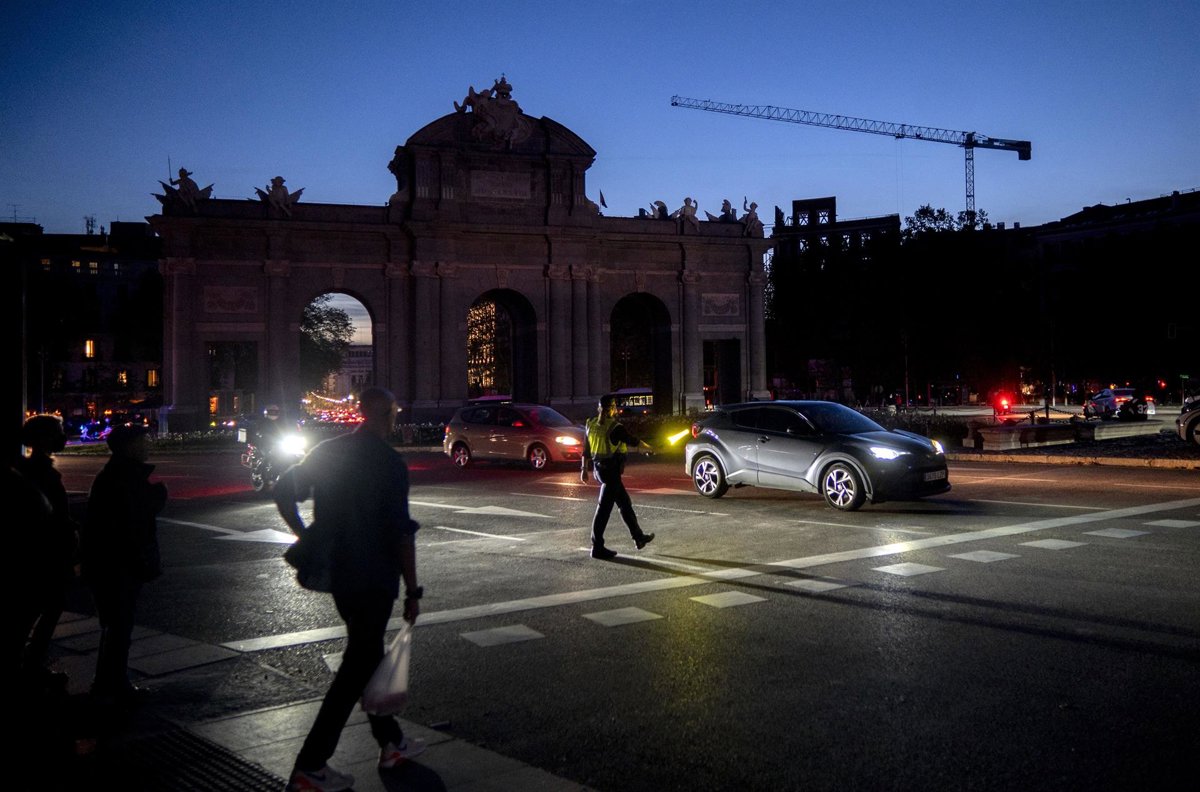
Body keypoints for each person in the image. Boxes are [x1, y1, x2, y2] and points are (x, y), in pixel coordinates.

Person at [274, 387, 425, 792]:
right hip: (375, 575)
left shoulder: (329, 451)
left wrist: (305, 534)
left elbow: (282, 491)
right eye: (393, 413)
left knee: (367, 656)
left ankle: (391, 742)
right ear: (388, 415)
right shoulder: (390, 463)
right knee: (356, 668)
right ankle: (311, 764)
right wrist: (413, 591)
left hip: (341, 573)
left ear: (360, 412)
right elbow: (402, 533)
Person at [79, 423, 168, 708]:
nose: (148, 445)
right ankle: (112, 686)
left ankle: (109, 683)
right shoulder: (124, 477)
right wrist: (159, 495)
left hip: (109, 561)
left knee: (116, 625)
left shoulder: (115, 474)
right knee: (119, 625)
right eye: (143, 441)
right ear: (130, 447)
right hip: (118, 563)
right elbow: (132, 518)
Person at [14, 415, 77, 693]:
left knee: (37, 608)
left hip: (42, 552)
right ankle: (30, 665)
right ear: (43, 439)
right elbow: (53, 517)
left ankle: (27, 663)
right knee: (44, 607)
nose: (62, 437)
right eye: (57, 432)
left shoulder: (29, 469)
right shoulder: (41, 473)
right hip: (46, 554)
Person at [580, 395, 655, 560]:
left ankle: (638, 537)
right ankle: (597, 547)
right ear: (613, 409)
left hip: (599, 470)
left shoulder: (590, 423)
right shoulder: (615, 427)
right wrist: (649, 448)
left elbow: (586, 450)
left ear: (599, 408)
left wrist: (583, 470)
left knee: (624, 504)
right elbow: (632, 441)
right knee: (603, 511)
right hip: (611, 473)